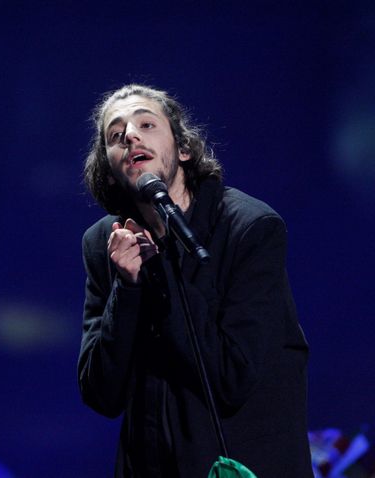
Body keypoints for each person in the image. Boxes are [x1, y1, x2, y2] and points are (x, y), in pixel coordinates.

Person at [78, 84, 312, 477]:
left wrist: (165, 270)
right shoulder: (104, 243)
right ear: (111, 169)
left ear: (184, 149)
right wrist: (128, 287)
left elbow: (229, 378)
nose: (130, 135)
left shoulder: (249, 228)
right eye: (115, 136)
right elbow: (101, 393)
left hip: (238, 464)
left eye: (146, 124)